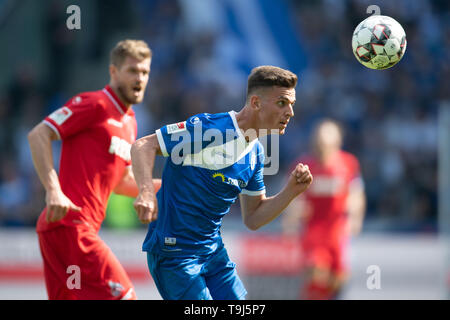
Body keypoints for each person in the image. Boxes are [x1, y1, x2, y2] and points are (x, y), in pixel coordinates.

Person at [130, 65, 313, 300]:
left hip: (213, 253)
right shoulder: (211, 130)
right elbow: (144, 145)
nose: (290, 112)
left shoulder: (256, 153)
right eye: (282, 103)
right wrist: (146, 192)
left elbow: (253, 218)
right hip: (175, 253)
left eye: (292, 104)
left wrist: (290, 192)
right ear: (256, 103)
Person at [28, 39, 161, 300]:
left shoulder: (130, 122)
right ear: (113, 72)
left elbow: (121, 180)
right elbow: (39, 134)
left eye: (145, 72)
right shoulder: (95, 104)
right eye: (132, 71)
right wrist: (53, 190)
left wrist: (165, 186)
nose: (140, 78)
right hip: (71, 225)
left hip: (63, 230)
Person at [282, 119, 366, 300]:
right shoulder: (304, 166)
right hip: (314, 233)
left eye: (327, 145)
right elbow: (292, 198)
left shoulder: (349, 164)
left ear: (337, 144)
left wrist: (355, 218)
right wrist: (291, 219)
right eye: (319, 144)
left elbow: (356, 193)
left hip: (338, 233)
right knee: (316, 275)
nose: (322, 149)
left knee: (338, 281)